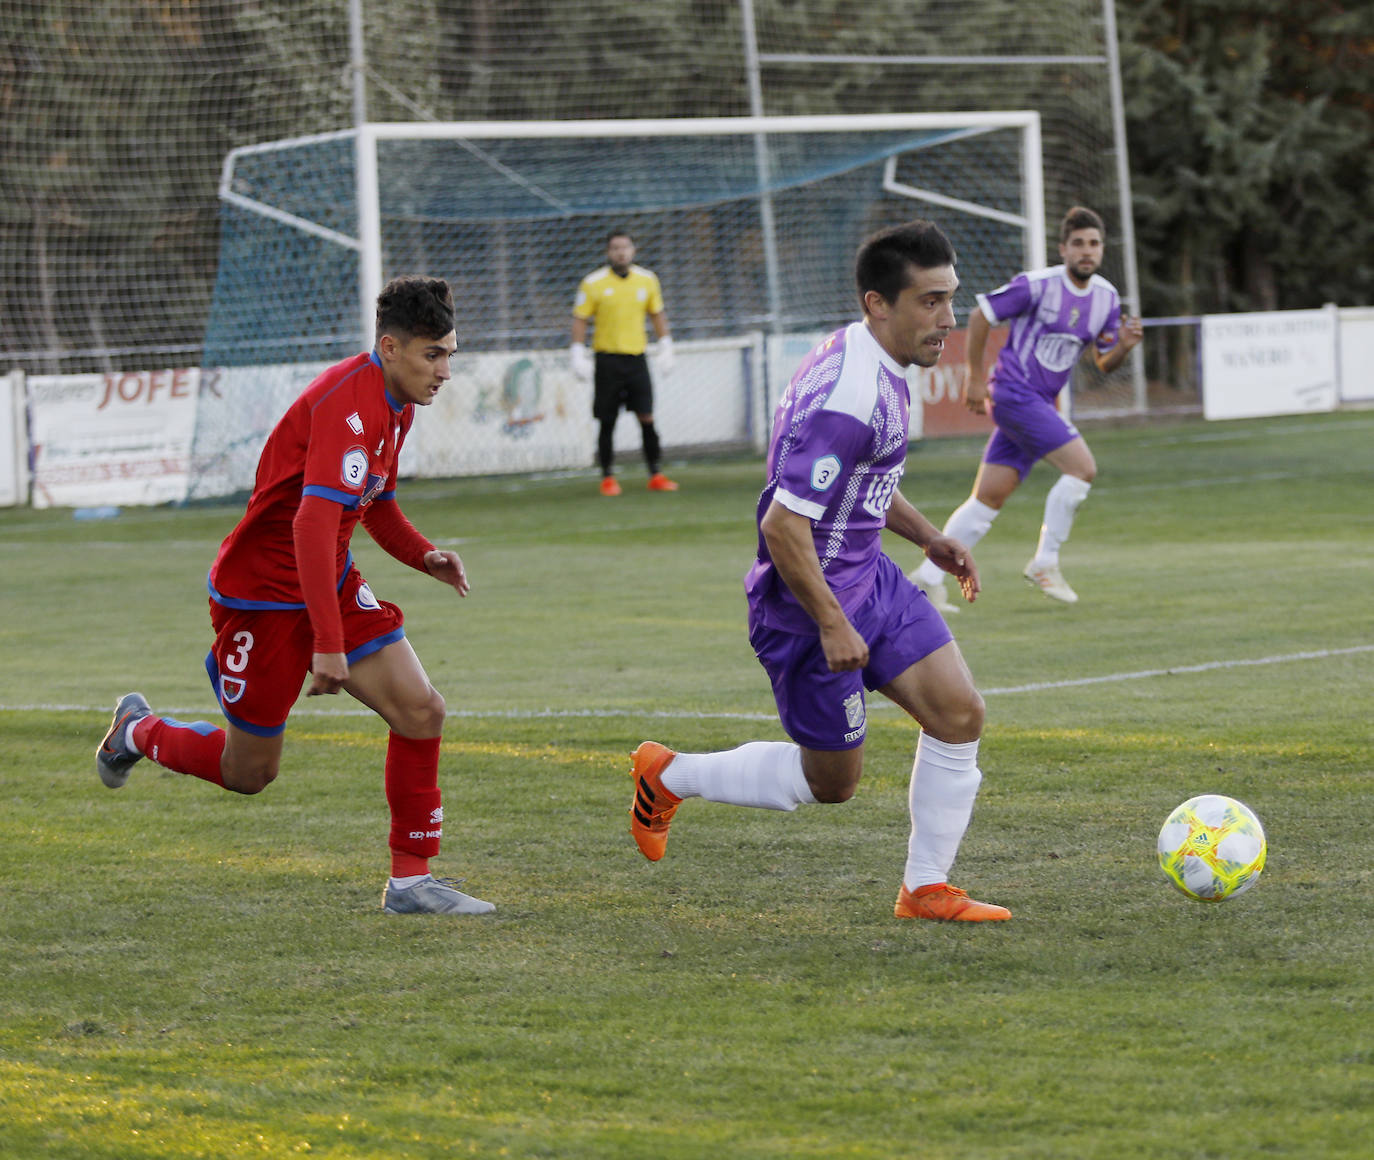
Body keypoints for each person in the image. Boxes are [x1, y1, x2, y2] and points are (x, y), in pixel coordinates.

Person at [626, 220, 1011, 922]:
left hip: (871, 577)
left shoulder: (873, 357)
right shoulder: (850, 394)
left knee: (959, 714)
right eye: (929, 302)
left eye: (950, 299)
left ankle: (926, 888)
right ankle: (669, 773)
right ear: (878, 303)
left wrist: (929, 537)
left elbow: (859, 478)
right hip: (806, 608)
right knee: (832, 784)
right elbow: (782, 523)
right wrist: (832, 621)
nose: (947, 321)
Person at [95, 277, 495, 917]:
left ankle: (411, 882)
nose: (445, 370)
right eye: (433, 355)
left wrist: (423, 554)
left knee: (422, 712)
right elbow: (309, 523)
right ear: (390, 347)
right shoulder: (349, 404)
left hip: (327, 578)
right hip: (264, 598)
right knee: (248, 773)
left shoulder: (398, 404)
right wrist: (328, 647)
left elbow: (376, 505)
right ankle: (137, 731)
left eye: (450, 353)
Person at [909, 206, 1144, 609]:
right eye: (1078, 244)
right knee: (1082, 468)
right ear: (1063, 249)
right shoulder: (1038, 285)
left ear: (1102, 249)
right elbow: (982, 314)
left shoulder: (1105, 298)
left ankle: (926, 579)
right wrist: (976, 376)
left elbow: (1104, 362)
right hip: (1015, 394)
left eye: (1093, 244)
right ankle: (1045, 562)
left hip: (1036, 403)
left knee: (987, 500)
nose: (1086, 251)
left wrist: (1122, 345)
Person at [569, 230, 678, 495]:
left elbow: (657, 313)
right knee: (608, 419)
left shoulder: (647, 280)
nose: (621, 252)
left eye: (626, 247)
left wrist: (666, 344)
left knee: (647, 416)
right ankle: (607, 477)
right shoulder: (593, 283)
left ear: (633, 250)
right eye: (616, 248)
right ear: (609, 252)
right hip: (607, 359)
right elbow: (580, 318)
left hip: (636, 358)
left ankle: (655, 473)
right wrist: (576, 351)